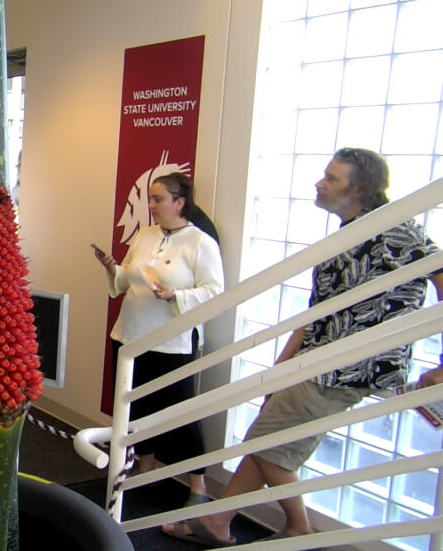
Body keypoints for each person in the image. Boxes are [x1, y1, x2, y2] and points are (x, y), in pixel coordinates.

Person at [163, 148, 443, 547]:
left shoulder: (394, 228)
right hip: (318, 360)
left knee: (267, 442)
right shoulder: (348, 232)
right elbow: (317, 316)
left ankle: (297, 527)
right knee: (268, 434)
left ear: (360, 188)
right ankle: (219, 520)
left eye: (331, 177)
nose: (319, 183)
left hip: (351, 365)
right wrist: (280, 369)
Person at [95, 172, 224, 508]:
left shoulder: (200, 243)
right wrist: (112, 269)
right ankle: (144, 466)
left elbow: (215, 292)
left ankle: (198, 486)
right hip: (129, 335)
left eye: (158, 199)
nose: (150, 206)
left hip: (171, 343)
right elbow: (126, 280)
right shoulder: (145, 235)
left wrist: (176, 295)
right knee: (134, 408)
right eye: (150, 199)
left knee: (179, 415)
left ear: (180, 201)